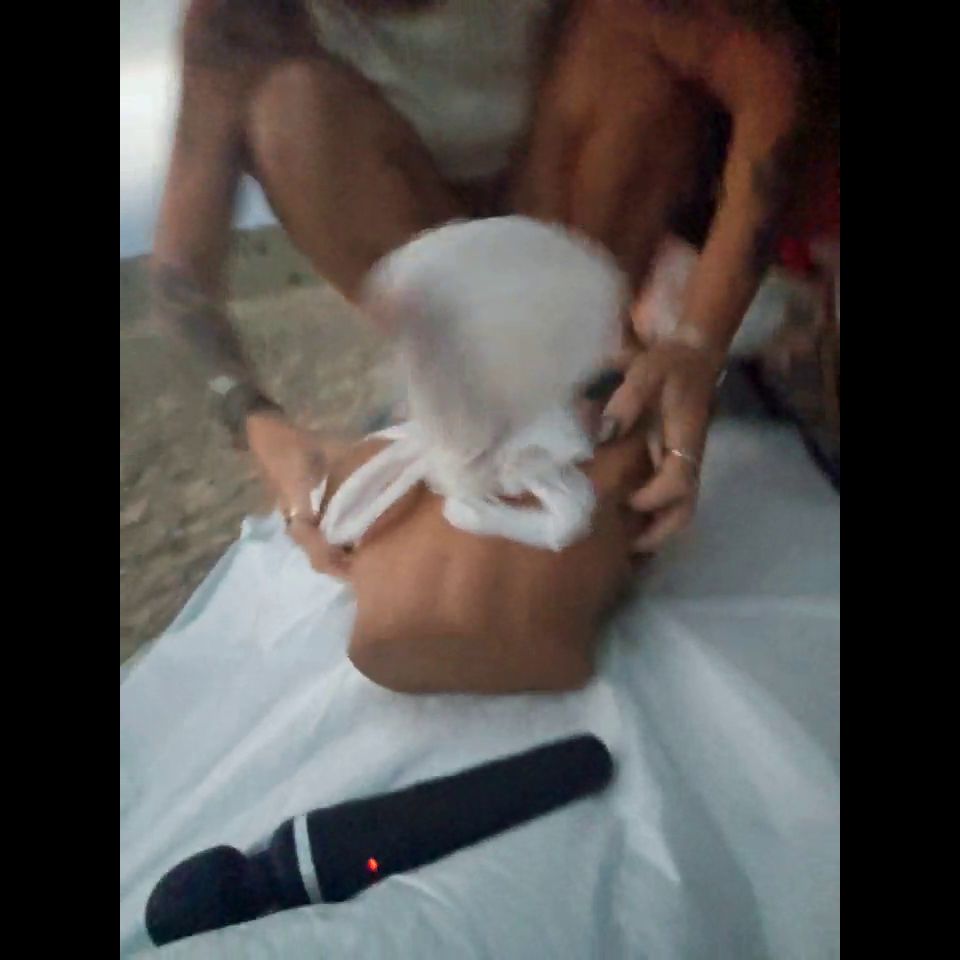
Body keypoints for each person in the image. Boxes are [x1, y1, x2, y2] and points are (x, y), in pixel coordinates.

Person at [150, 0, 836, 561]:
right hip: (429, 276)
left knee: (623, 27)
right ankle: (476, 399)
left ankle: (598, 361)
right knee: (291, 110)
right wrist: (260, 426)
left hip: (585, 238)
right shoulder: (244, 20)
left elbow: (769, 77)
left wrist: (698, 341)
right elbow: (181, 271)